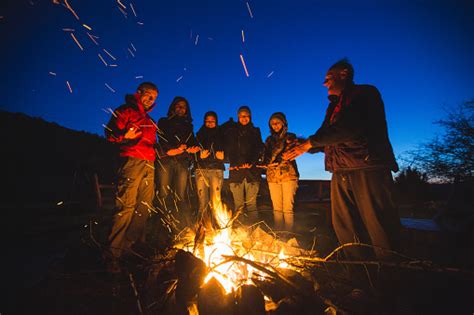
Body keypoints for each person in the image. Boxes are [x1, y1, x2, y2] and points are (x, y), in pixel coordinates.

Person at [285, 59, 401, 260]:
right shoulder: (333, 108)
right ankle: (358, 276)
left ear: (344, 74)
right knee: (346, 226)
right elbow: (326, 137)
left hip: (367, 167)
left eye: (328, 78)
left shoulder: (365, 94)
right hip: (340, 171)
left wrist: (311, 143)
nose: (324, 83)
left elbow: (350, 128)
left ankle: (392, 276)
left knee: (378, 225)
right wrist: (302, 145)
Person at [104, 82, 159, 272]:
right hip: (131, 161)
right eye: (148, 95)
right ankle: (112, 256)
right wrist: (124, 136)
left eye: (154, 97)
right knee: (126, 206)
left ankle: (128, 247)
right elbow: (109, 133)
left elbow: (154, 146)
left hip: (149, 164)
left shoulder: (151, 121)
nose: (151, 99)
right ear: (139, 93)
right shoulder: (125, 111)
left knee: (143, 207)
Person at [156, 96, 200, 230]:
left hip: (182, 162)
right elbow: (161, 139)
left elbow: (192, 141)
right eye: (179, 106)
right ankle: (163, 225)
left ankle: (180, 225)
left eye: (184, 107)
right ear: (173, 107)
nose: (181, 109)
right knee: (164, 193)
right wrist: (171, 150)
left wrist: (194, 149)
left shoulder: (188, 125)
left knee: (180, 194)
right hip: (166, 161)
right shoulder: (164, 122)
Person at [224, 106, 264, 224]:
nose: (244, 118)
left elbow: (258, 149)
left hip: (252, 174)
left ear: (250, 117)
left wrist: (251, 162)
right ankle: (240, 231)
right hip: (236, 174)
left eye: (246, 116)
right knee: (239, 205)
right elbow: (230, 149)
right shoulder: (232, 131)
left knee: (252, 205)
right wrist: (237, 163)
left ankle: (254, 231)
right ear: (238, 117)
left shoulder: (255, 131)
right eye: (241, 116)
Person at [262, 112, 300, 233]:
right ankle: (279, 233)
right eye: (272, 124)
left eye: (277, 122)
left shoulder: (290, 137)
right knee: (277, 208)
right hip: (273, 177)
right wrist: (264, 163)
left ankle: (288, 233)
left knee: (287, 208)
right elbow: (265, 155)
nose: (275, 125)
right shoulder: (268, 140)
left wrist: (278, 160)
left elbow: (288, 152)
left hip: (288, 176)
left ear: (283, 123)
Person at [194, 111, 225, 229]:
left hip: (216, 170)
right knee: (202, 201)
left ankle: (218, 227)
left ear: (216, 122)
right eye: (207, 121)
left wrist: (223, 157)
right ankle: (202, 227)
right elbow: (194, 152)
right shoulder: (199, 134)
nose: (210, 123)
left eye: (212, 121)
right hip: (201, 170)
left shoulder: (222, 135)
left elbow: (227, 149)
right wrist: (199, 156)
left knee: (216, 201)